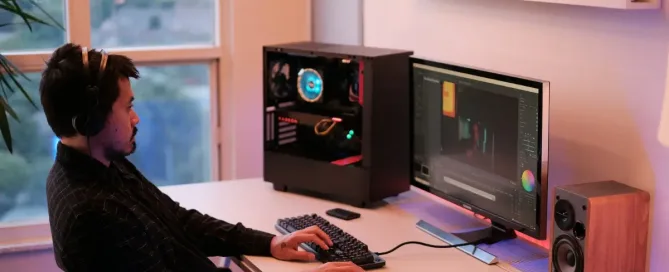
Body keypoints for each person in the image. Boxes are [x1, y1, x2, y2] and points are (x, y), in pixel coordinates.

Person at [41, 43, 364, 272]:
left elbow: (178, 220)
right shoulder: (91, 214)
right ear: (91, 122)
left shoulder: (102, 163)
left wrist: (270, 243)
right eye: (127, 108)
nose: (136, 119)